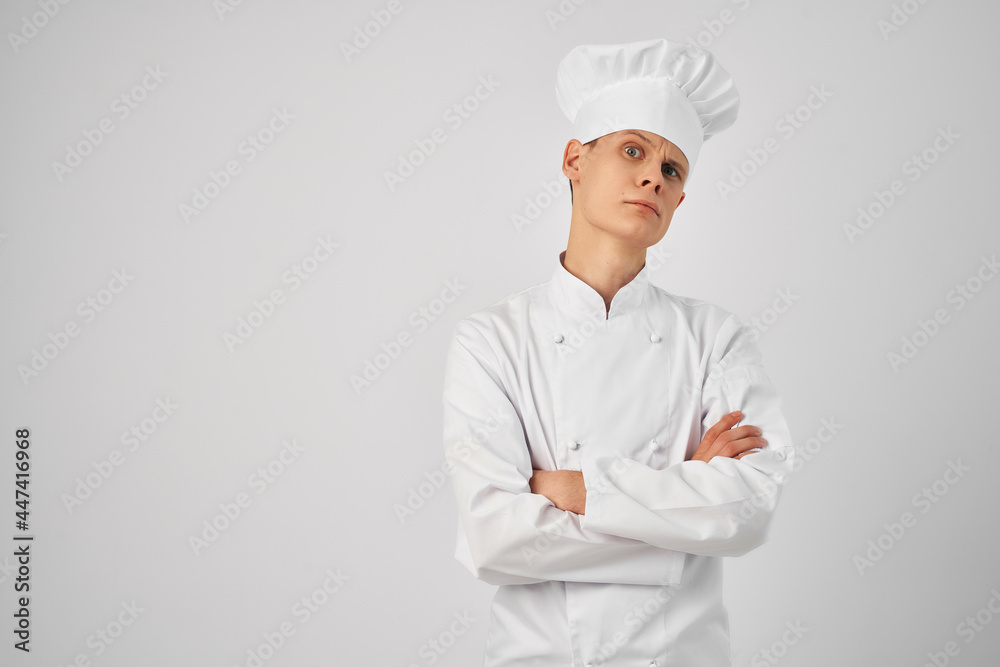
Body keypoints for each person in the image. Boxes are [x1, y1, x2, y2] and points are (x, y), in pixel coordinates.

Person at [442, 38, 795, 666]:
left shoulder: (716, 338)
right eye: (633, 150)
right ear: (575, 158)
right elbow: (496, 541)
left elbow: (747, 508)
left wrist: (573, 489)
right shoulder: (492, 340)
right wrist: (683, 516)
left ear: (678, 203)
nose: (652, 176)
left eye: (673, 169)